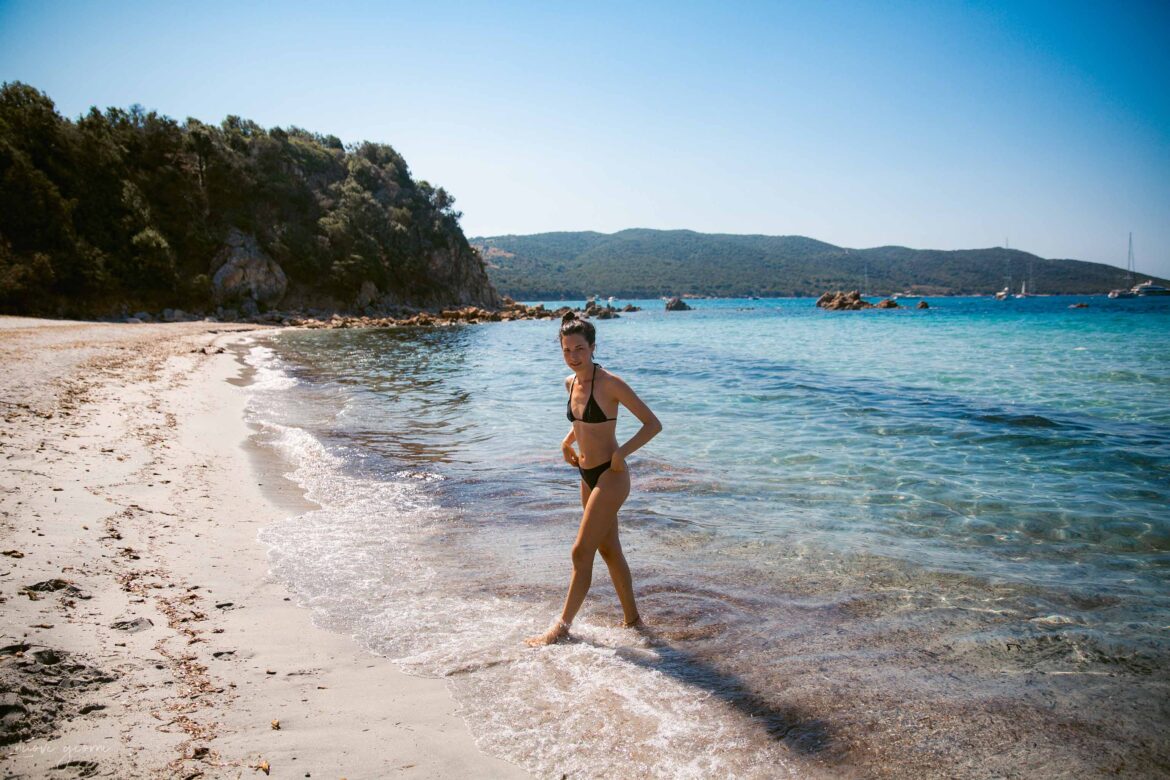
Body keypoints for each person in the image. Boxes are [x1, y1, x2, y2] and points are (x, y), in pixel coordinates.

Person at [525, 311, 663, 646]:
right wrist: (566, 441)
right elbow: (582, 423)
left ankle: (560, 628)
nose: (573, 357)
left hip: (612, 476)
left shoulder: (610, 384)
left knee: (579, 551)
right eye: (566, 350)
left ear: (593, 348)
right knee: (609, 549)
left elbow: (652, 424)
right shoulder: (570, 383)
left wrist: (621, 453)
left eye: (579, 350)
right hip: (586, 476)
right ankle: (633, 621)